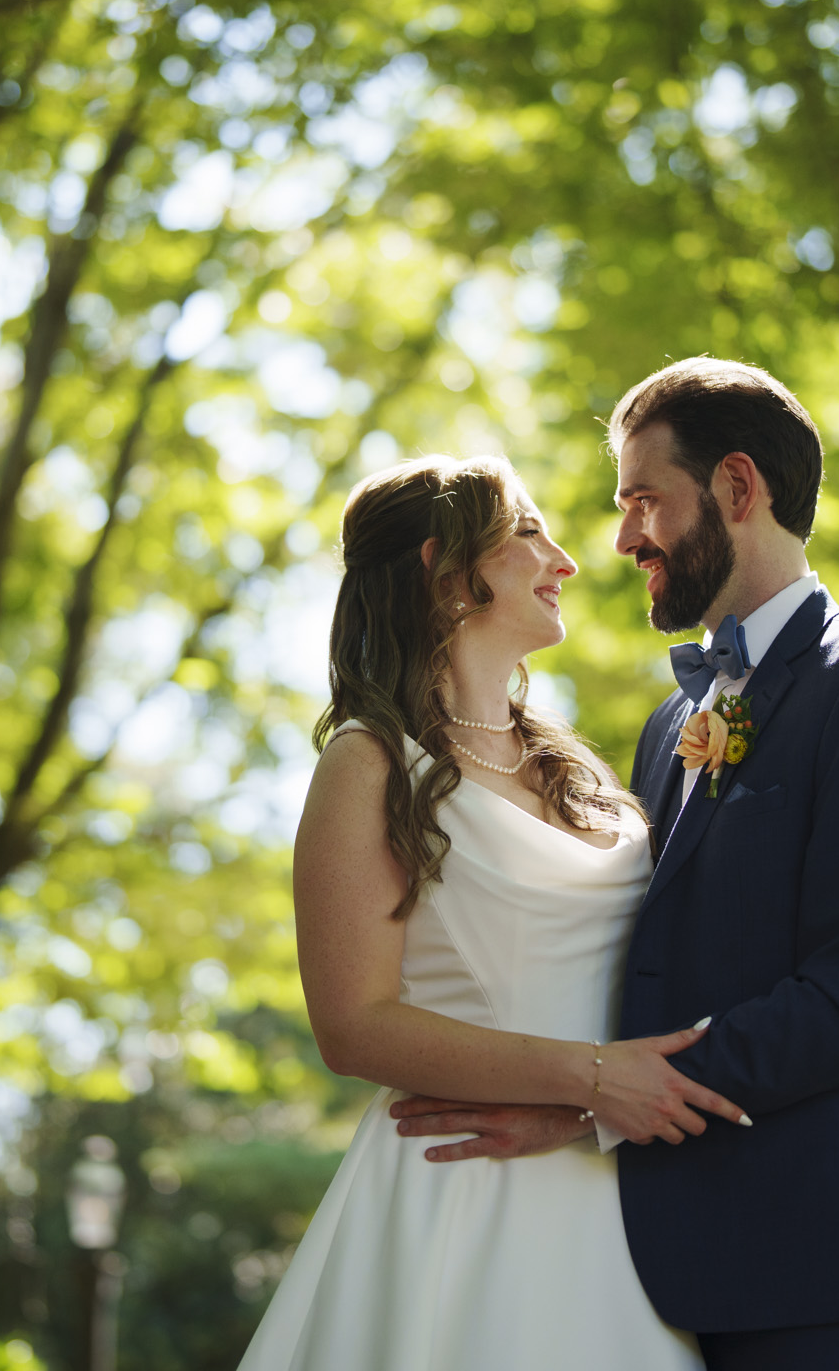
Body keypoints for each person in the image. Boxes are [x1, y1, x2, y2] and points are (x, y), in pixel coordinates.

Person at [390, 358, 839, 1370]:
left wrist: (603, 1100)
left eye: (644, 501)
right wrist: (570, 1092)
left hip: (838, 1277)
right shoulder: (670, 726)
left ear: (739, 489)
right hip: (672, 1275)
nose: (621, 540)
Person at [237, 454, 730, 1371]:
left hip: (619, 1197)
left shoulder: (576, 770)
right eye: (529, 532)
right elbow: (352, 1025)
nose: (567, 560)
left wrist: (601, 1104)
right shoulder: (369, 762)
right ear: (446, 569)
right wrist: (591, 1074)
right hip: (467, 1198)